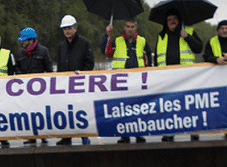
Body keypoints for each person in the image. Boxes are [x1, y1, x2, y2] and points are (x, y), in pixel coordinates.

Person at [100, 18, 153, 143]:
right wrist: (107, 35)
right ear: (124, 27)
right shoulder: (117, 40)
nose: (130, 29)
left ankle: (139, 133)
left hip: (138, 79)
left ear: (136, 28)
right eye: (128, 26)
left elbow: (149, 58)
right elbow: (106, 51)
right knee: (123, 108)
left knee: (138, 108)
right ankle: (124, 135)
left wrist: (149, 74)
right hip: (121, 81)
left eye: (132, 26)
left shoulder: (142, 41)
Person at [154, 8, 203, 141]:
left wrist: (187, 37)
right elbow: (156, 57)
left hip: (186, 76)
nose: (172, 22)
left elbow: (199, 48)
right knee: (168, 106)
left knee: (189, 104)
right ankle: (169, 132)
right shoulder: (161, 36)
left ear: (179, 20)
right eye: (169, 20)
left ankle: (194, 131)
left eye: (174, 19)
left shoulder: (189, 31)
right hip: (167, 76)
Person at [56, 15, 94, 146]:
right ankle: (67, 137)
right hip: (65, 85)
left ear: (75, 28)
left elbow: (89, 63)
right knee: (66, 111)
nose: (67, 31)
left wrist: (81, 77)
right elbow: (60, 65)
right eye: (64, 29)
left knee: (81, 111)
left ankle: (84, 136)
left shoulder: (84, 43)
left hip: (80, 84)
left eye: (69, 28)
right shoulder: (62, 46)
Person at [14, 27, 52, 145]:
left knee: (40, 113)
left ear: (31, 40)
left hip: (40, 90)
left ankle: (43, 135)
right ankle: (31, 136)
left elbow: (49, 70)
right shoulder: (19, 53)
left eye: (24, 40)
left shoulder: (43, 51)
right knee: (28, 113)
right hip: (24, 90)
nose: (22, 43)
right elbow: (16, 68)